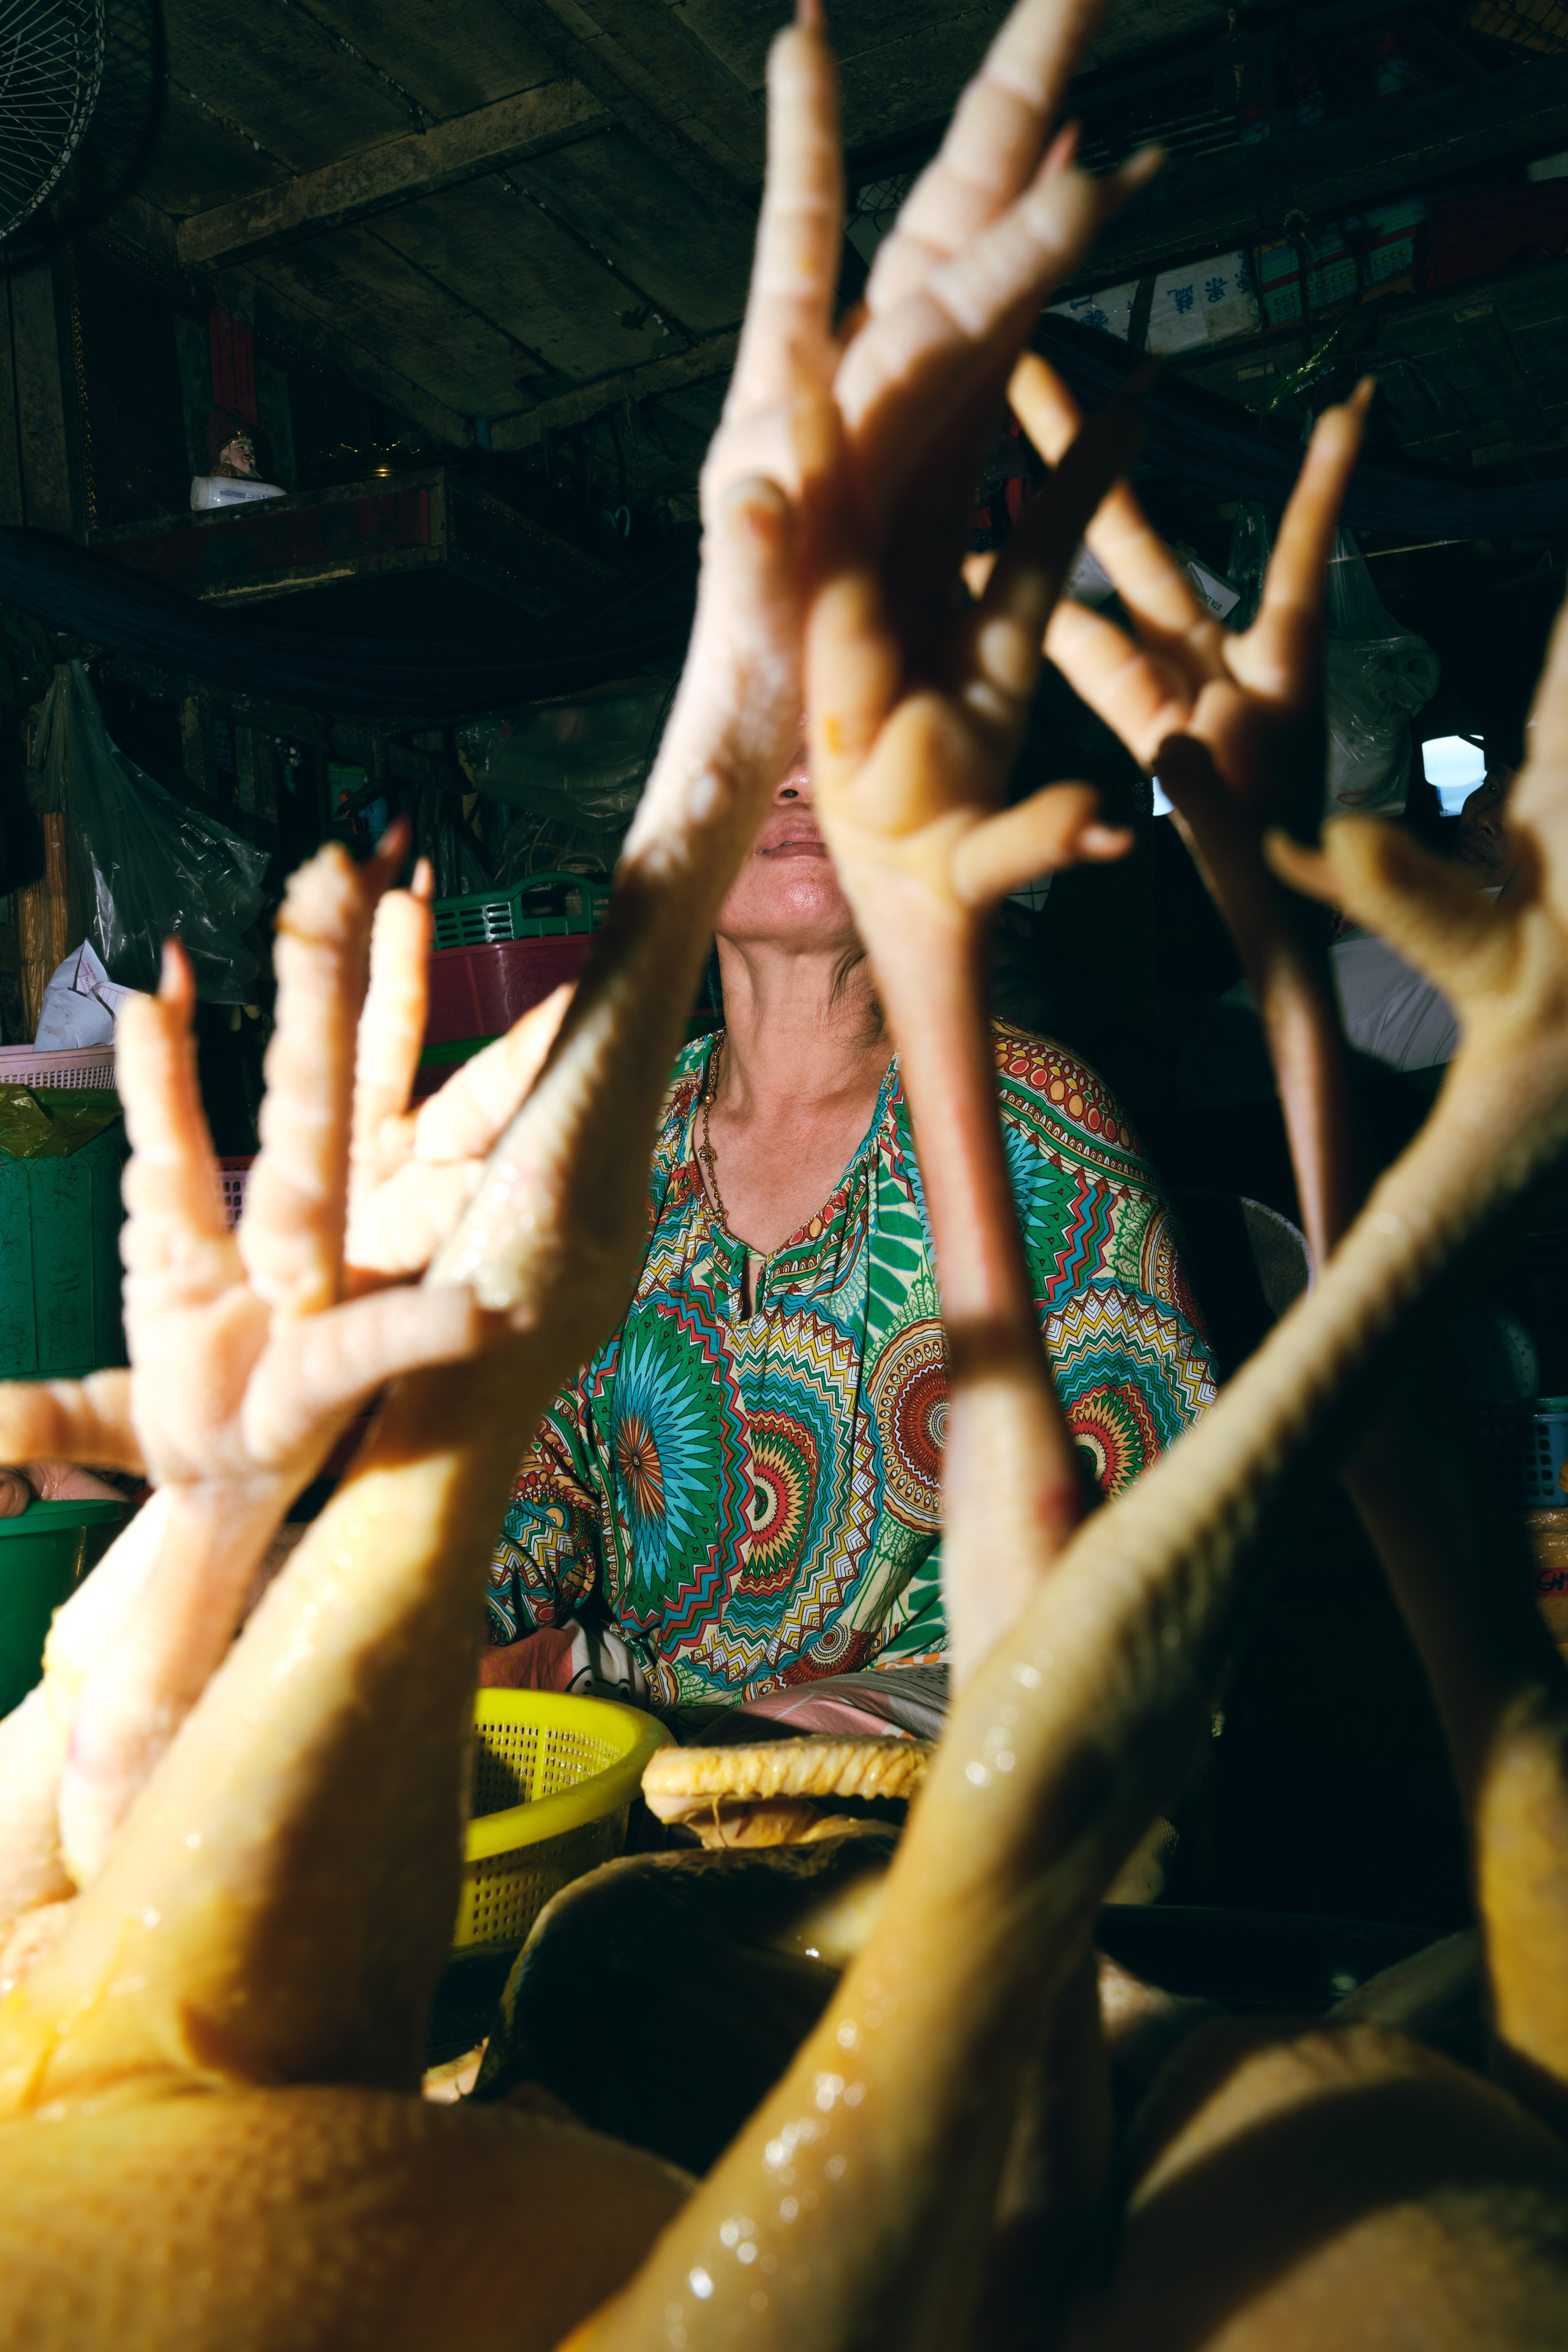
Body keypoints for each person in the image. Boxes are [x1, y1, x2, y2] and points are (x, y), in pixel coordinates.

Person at [484, 740, 1218, 1725]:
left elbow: (1163, 1538)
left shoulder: (1031, 1123)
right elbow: (536, 1478)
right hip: (642, 1718)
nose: (799, 775)